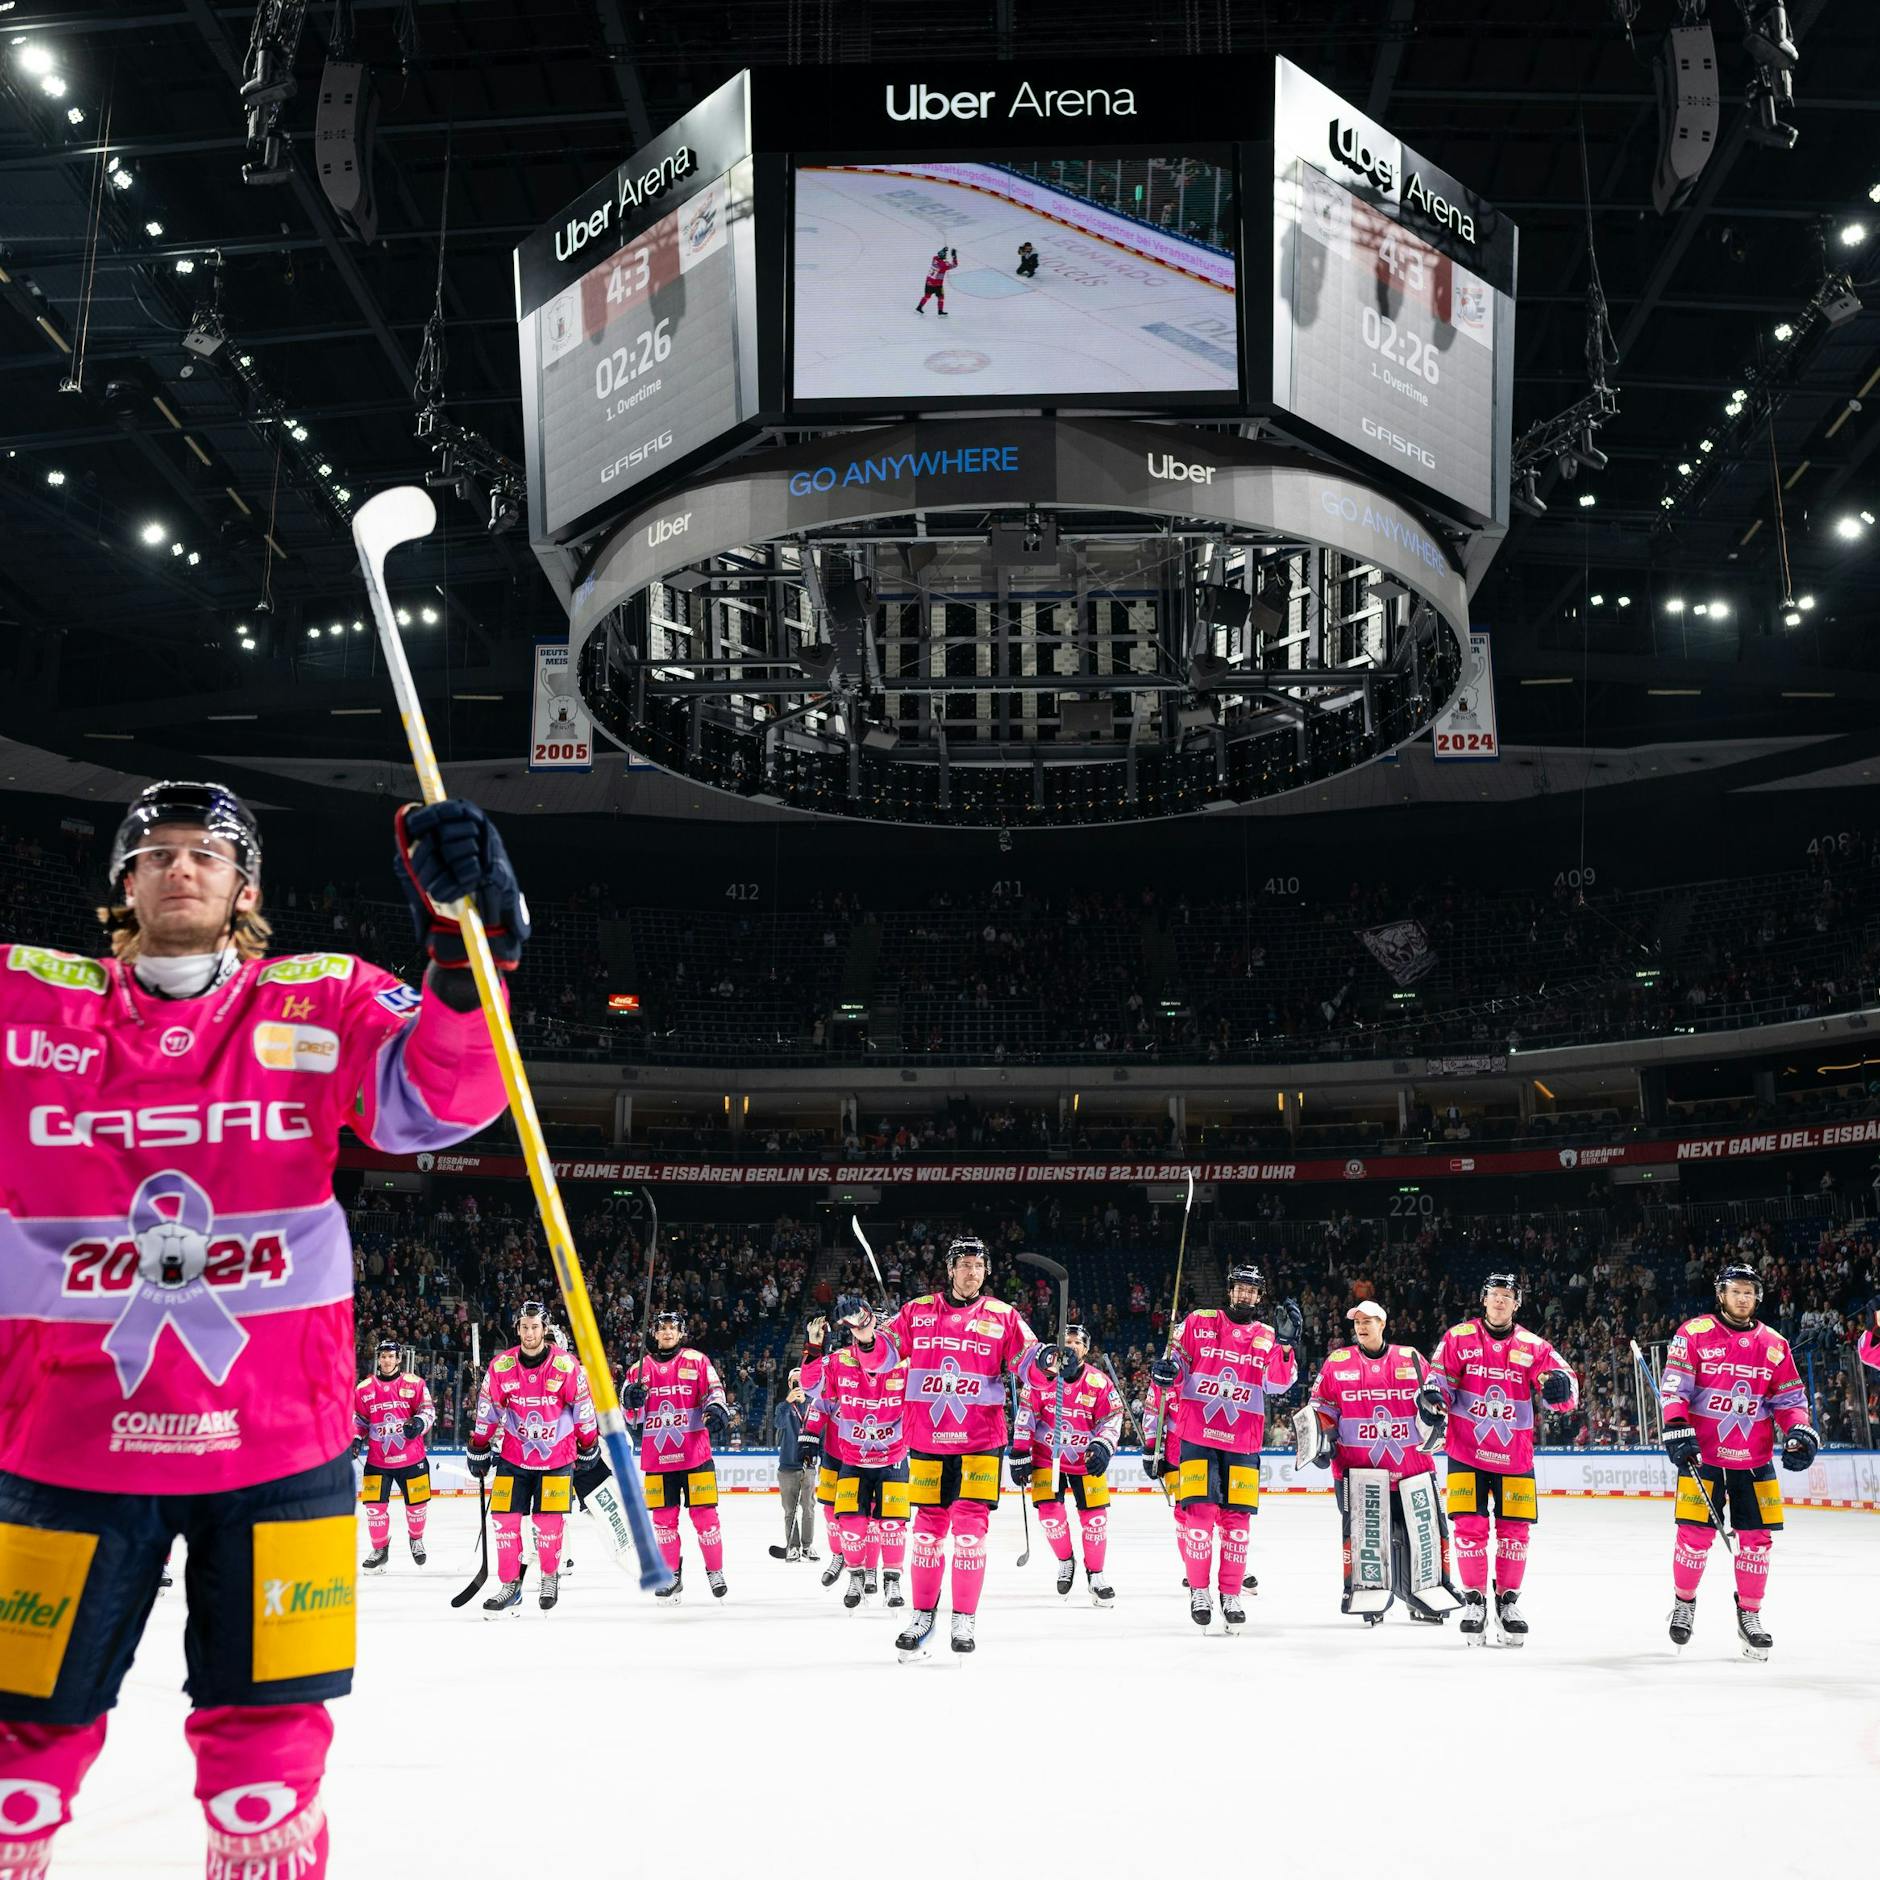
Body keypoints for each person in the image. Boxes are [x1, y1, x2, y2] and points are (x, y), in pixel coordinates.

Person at [0, 781, 514, 1878]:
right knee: (15, 1767)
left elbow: (442, 1104)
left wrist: (466, 959)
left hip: (279, 1446)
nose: (180, 867)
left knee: (265, 1783)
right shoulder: (24, 1000)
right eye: (157, 852)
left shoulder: (318, 996)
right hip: (63, 1442)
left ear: (246, 887)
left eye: (207, 853)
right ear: (122, 884)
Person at [882, 1236, 1042, 1658]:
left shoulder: (1003, 1316)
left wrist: (1046, 1363)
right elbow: (879, 1356)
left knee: (970, 1535)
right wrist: (865, 1332)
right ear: (950, 1269)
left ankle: (963, 1618)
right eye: (965, 1264)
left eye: (979, 1265)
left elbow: (1031, 1365)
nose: (973, 1272)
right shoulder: (917, 1311)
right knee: (928, 1535)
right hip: (927, 1442)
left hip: (980, 1442)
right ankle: (922, 1615)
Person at [1658, 1264, 1818, 1660]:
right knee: (1693, 1538)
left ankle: (1750, 1615)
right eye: (1735, 1290)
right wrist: (1677, 1427)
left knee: (1757, 1545)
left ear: (1757, 1297)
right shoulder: (1693, 1334)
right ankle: (1684, 1603)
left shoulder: (1775, 1344)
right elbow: (1675, 1387)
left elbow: (1790, 1401)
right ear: (1721, 1294)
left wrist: (1799, 1431)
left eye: (1749, 1291)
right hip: (1704, 1458)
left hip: (1755, 1461)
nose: (1742, 1297)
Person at [1419, 1272, 1577, 1646]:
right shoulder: (1458, 1338)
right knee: (1469, 1530)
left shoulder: (1533, 1345)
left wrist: (1561, 1391)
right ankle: (1475, 1600)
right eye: (1494, 1294)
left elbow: (1565, 1384)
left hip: (1515, 1458)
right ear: (1483, 1299)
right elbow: (1437, 1379)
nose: (1501, 1301)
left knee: (1514, 1535)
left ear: (1517, 1303)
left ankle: (1508, 1602)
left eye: (1508, 1295)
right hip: (1465, 1452)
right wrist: (1430, 1398)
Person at [1149, 1263, 1299, 1632]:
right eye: (1240, 1287)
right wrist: (1166, 1372)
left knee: (1237, 1526)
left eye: (1252, 1289)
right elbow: (1176, 1367)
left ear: (1259, 1295)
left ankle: (1229, 1593)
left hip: (1243, 1443)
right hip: (1196, 1437)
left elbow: (1279, 1386)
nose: (1245, 1294)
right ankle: (1199, 1591)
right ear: (1230, 1290)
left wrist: (1285, 1346)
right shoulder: (1199, 1321)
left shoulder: (1267, 1336)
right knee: (1198, 1518)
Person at [1303, 1301, 1457, 1625]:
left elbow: (1433, 1399)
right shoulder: (1337, 1362)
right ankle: (1370, 1596)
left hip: (1412, 1471)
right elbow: (1320, 1407)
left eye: (1367, 1321)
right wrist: (1321, 1438)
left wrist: (1434, 1410)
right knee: (1370, 1540)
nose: (1360, 1326)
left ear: (1382, 1324)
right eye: (1356, 1321)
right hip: (1358, 1475)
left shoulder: (1410, 1358)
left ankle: (1421, 1597)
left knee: (1419, 1538)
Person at [467, 1300, 598, 1615]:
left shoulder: (566, 1366)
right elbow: (488, 1409)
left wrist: (589, 1443)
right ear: (518, 1328)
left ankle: (549, 1575)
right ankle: (510, 1586)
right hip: (514, 1456)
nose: (529, 1333)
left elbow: (583, 1408)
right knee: (504, 1520)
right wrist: (479, 1445)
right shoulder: (501, 1366)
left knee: (548, 1521)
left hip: (557, 1458)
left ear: (545, 1329)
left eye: (535, 1327)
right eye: (524, 1327)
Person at [1011, 1324, 1122, 1605]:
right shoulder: (1039, 1378)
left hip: (1085, 1459)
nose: (1071, 1346)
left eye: (1077, 1342)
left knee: (1095, 1520)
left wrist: (1102, 1446)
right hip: (1047, 1457)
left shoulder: (1099, 1383)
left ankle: (1096, 1575)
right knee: (1050, 1516)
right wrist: (1020, 1451)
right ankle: (1065, 1560)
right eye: (1066, 1341)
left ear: (1086, 1348)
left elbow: (1112, 1418)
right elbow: (1026, 1415)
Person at [812, 1295, 910, 1611]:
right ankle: (855, 1575)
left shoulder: (906, 1365)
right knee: (851, 1523)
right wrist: (813, 1350)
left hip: (893, 1459)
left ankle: (892, 1581)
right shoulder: (840, 1360)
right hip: (852, 1460)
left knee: (892, 1525)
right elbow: (813, 1390)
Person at [625, 1308, 730, 1604]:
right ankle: (671, 1575)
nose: (667, 1332)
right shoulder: (639, 1370)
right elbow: (631, 1417)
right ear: (654, 1333)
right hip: (658, 1460)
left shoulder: (697, 1361)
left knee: (706, 1519)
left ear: (682, 1333)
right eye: (662, 1328)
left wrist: (717, 1408)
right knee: (663, 1522)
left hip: (695, 1455)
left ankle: (715, 1571)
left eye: (673, 1328)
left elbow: (714, 1390)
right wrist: (631, 1402)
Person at [354, 1336, 436, 1570]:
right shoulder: (364, 1389)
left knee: (417, 1507)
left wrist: (419, 1422)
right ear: (378, 1359)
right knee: (373, 1509)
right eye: (383, 1356)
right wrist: (355, 1438)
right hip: (378, 1461)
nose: (387, 1360)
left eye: (391, 1356)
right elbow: (358, 1419)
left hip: (412, 1459)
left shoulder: (414, 1383)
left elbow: (428, 1410)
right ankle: (380, 1549)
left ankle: (416, 1540)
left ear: (399, 1359)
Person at [767, 1369, 816, 1562]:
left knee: (809, 1509)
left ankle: (807, 1546)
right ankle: (793, 1546)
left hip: (808, 1465)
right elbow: (778, 1423)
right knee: (790, 1510)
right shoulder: (783, 1407)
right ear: (789, 1384)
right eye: (794, 1382)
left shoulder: (813, 1405)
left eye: (801, 1381)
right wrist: (788, 1402)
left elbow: (820, 1431)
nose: (798, 1385)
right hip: (787, 1466)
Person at [915, 246, 958, 315]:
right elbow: (955, 265)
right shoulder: (944, 265)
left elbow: (938, 256)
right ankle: (940, 311)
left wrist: (943, 250)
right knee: (941, 297)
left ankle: (919, 307)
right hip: (938, 285)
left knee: (927, 296)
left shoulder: (934, 259)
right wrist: (954, 256)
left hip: (928, 282)